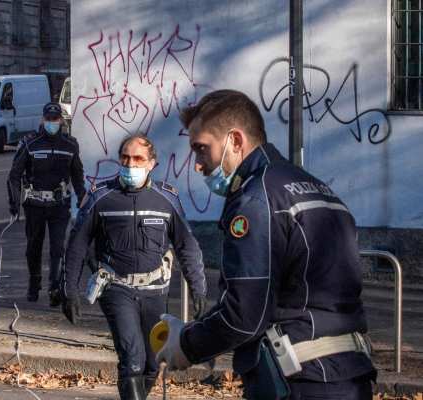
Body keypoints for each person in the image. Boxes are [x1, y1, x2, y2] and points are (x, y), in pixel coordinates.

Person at [156, 90, 376, 399]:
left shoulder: (254, 198)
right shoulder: (315, 187)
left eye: (201, 148)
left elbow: (246, 316)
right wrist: (194, 329)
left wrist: (187, 345)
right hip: (349, 375)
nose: (197, 164)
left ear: (234, 140)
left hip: (299, 380)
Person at [63, 134, 207, 400]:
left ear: (151, 163)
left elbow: (187, 245)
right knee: (133, 359)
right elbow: (77, 245)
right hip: (116, 288)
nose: (131, 164)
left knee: (153, 364)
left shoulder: (166, 198)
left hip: (155, 290)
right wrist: (68, 291)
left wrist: (198, 287)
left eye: (138, 158)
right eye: (126, 158)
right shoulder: (101, 196)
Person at [7, 102, 86, 305]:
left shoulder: (70, 145)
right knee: (34, 246)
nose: (52, 123)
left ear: (61, 120)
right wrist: (14, 203)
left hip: (59, 205)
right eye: (49, 119)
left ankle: (55, 287)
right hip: (34, 205)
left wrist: (82, 197)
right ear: (43, 120)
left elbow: (77, 175)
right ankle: (34, 283)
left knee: (58, 248)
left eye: (55, 119)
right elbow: (14, 175)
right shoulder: (31, 143)